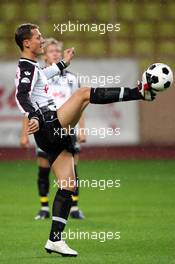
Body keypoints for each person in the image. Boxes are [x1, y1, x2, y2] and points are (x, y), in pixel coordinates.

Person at [15, 23, 156, 257]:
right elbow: (21, 94)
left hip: (51, 133)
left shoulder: (33, 67)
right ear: (27, 43)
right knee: (83, 94)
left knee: (68, 186)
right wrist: (34, 116)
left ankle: (55, 240)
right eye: (38, 37)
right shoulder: (26, 67)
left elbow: (44, 76)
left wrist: (63, 64)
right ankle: (139, 92)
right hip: (49, 124)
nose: (42, 40)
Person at [20, 38, 86, 220]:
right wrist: (24, 133)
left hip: (67, 129)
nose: (56, 53)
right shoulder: (38, 77)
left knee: (72, 169)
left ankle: (73, 207)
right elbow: (28, 108)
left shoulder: (72, 78)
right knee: (44, 169)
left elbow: (80, 105)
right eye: (51, 51)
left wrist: (82, 129)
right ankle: (43, 207)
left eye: (58, 50)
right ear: (45, 55)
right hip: (45, 128)